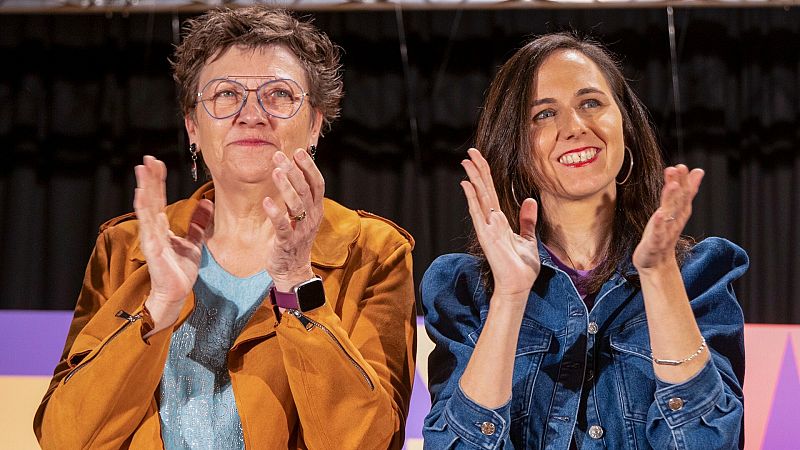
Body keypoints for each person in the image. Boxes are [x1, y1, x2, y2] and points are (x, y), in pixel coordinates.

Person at [33, 7, 416, 450]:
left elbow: (367, 442)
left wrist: (297, 282)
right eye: (226, 94)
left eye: (279, 94)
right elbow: (66, 439)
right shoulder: (124, 247)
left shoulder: (374, 251)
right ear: (192, 126)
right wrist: (158, 307)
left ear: (315, 123)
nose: (251, 114)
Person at [422, 33, 746, 449]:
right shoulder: (465, 290)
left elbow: (709, 441)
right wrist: (509, 298)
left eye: (591, 103)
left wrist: (660, 275)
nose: (575, 127)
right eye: (544, 114)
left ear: (625, 125)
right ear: (515, 146)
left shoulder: (699, 277)